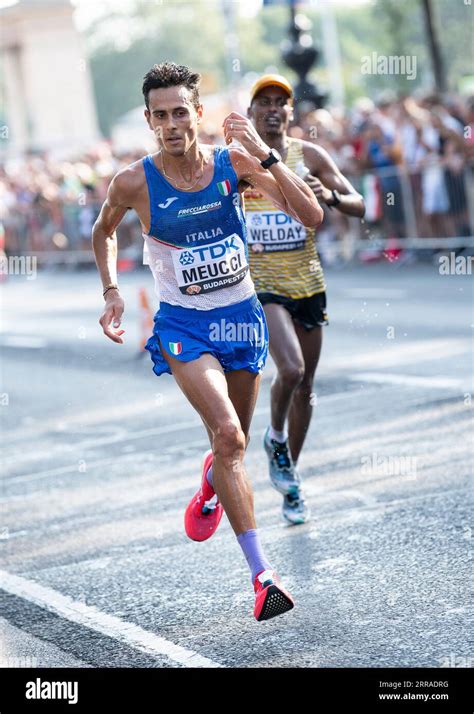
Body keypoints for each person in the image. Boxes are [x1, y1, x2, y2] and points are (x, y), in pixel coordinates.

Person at [91, 62, 323, 621]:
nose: (172, 124)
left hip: (242, 318)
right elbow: (103, 230)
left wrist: (264, 156)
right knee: (226, 433)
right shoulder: (132, 182)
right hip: (184, 325)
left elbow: (311, 214)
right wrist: (113, 292)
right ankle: (263, 578)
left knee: (233, 443)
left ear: (198, 113)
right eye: (160, 115)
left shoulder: (232, 165)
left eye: (180, 112)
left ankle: (212, 482)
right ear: (149, 121)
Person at [245, 75, 365, 524]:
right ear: (252, 112)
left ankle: (289, 478)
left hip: (309, 283)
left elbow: (360, 203)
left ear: (291, 112)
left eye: (281, 103)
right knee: (290, 369)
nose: (273, 109)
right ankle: (274, 436)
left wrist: (329, 196)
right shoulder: (239, 162)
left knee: (307, 386)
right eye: (264, 103)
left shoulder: (308, 156)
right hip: (263, 283)